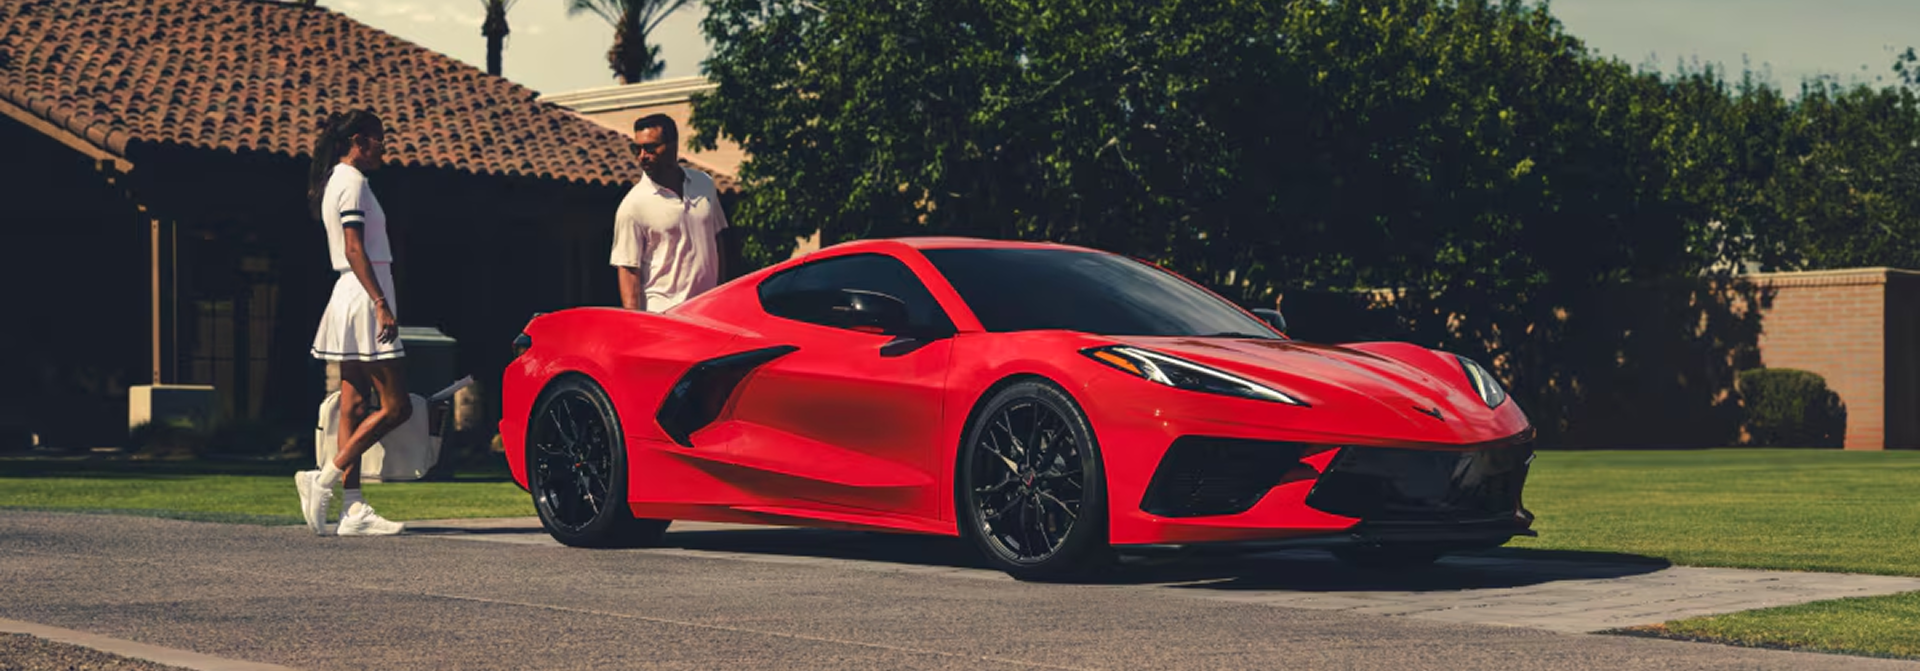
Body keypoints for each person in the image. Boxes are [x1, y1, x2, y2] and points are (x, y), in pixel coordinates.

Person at [295, 109, 410, 537]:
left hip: (351, 292)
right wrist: (381, 302)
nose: (385, 147)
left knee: (354, 404)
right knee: (398, 406)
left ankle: (352, 508)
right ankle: (324, 478)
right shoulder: (354, 182)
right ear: (360, 141)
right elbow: (355, 248)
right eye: (381, 139)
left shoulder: (336, 182)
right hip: (364, 294)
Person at [610, 114, 731, 311]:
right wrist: (635, 325)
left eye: (650, 148)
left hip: (709, 310)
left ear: (673, 146)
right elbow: (628, 269)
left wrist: (722, 294)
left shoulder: (704, 184)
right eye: (636, 149)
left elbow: (717, 239)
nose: (642, 156)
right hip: (665, 316)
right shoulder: (633, 205)